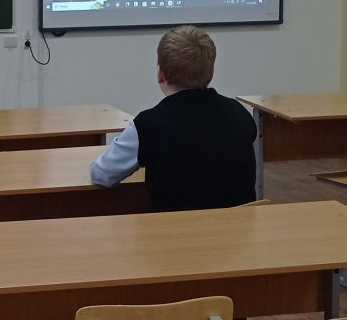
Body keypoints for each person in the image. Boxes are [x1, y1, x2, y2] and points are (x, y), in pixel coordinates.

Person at [90, 25, 257, 211]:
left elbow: (101, 175)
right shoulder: (240, 113)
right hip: (240, 227)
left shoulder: (147, 125)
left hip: (176, 228)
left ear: (160, 75)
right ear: (211, 72)